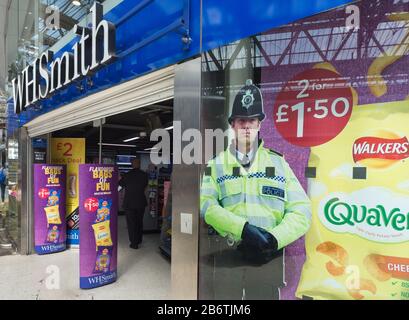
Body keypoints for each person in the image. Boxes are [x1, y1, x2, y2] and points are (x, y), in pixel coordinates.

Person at [200, 79, 312, 299]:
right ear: (232, 125)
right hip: (229, 255)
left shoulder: (279, 163)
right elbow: (205, 205)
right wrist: (243, 229)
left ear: (260, 124)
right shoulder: (215, 164)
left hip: (267, 260)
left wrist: (274, 238)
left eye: (252, 120)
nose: (247, 126)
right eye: (241, 120)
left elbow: (302, 210)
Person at [119, 157, 148, 249]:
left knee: (131, 223)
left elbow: (119, 187)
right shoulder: (144, 175)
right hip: (141, 202)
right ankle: (139, 239)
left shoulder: (127, 175)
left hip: (129, 203)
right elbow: (145, 187)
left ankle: (134, 243)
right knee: (139, 222)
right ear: (139, 164)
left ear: (132, 164)